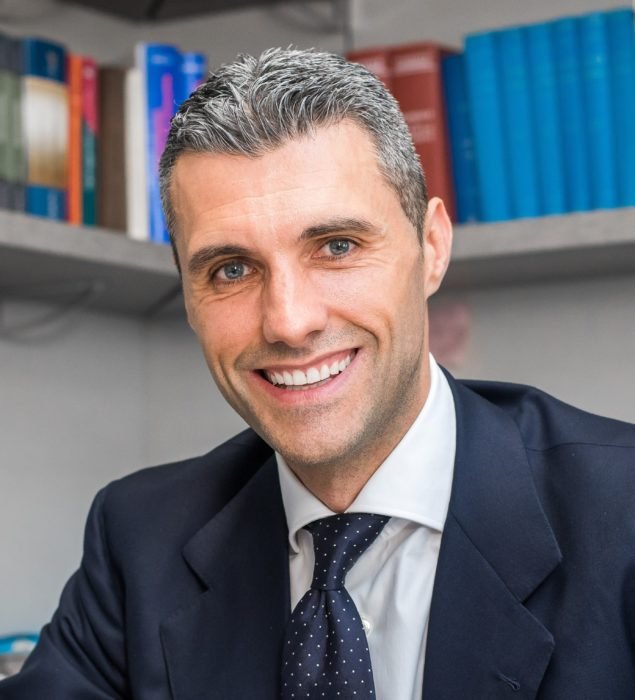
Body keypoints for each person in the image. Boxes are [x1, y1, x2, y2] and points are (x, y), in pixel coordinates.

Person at [1, 47, 634, 700]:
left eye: (336, 247)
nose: (288, 322)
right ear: (188, 293)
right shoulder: (139, 537)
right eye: (231, 269)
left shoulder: (622, 511)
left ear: (432, 247)